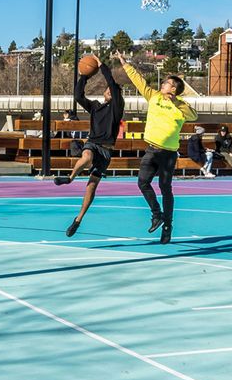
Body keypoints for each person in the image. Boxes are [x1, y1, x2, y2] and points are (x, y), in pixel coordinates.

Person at [120, 54, 198, 244]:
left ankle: (167, 226)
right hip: (151, 150)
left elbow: (193, 116)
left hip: (168, 154)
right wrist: (126, 65)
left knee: (165, 188)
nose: (162, 84)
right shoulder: (154, 97)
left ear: (174, 88)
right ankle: (157, 214)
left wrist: (175, 101)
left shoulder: (181, 106)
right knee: (142, 183)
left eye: (166, 83)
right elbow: (139, 82)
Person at [56, 57, 125, 237]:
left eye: (112, 90)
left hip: (106, 151)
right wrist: (84, 76)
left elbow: (112, 82)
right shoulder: (95, 107)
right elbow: (78, 96)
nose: (109, 90)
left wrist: (101, 66)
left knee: (91, 186)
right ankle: (70, 178)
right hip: (92, 143)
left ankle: (78, 220)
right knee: (86, 156)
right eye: (107, 89)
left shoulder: (117, 108)